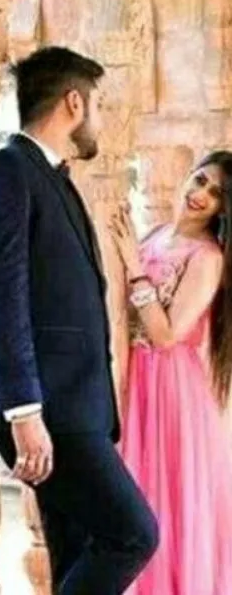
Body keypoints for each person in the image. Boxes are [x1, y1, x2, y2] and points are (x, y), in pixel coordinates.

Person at [0, 46, 158, 595]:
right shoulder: (4, 172)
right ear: (74, 101)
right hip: (46, 409)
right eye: (98, 104)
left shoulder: (56, 178)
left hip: (79, 407)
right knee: (133, 535)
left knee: (77, 553)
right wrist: (23, 411)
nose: (100, 117)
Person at [109, 150, 232, 595]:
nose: (201, 194)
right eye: (200, 180)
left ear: (223, 209)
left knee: (165, 501)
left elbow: (166, 335)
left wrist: (134, 266)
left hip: (172, 392)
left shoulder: (208, 257)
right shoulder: (158, 234)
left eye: (216, 194)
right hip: (137, 380)